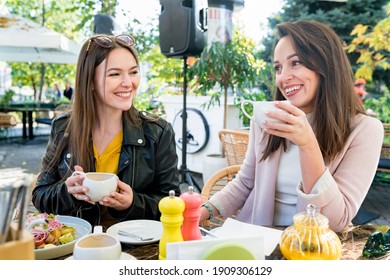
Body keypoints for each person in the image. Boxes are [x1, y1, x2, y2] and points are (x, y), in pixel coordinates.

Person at [199, 21, 384, 232]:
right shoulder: (267, 119)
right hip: (257, 241)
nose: (283, 77)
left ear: (326, 64)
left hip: (312, 251)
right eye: (278, 67)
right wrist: (203, 211)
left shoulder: (365, 130)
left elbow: (337, 221)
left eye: (295, 63)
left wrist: (307, 144)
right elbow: (245, 183)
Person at [32, 34, 181, 227]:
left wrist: (132, 204)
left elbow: (173, 203)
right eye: (115, 74)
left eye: (133, 72)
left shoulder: (158, 132)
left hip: (135, 248)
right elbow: (40, 196)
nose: (128, 83)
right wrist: (67, 192)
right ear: (90, 81)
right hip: (77, 246)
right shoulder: (63, 128)